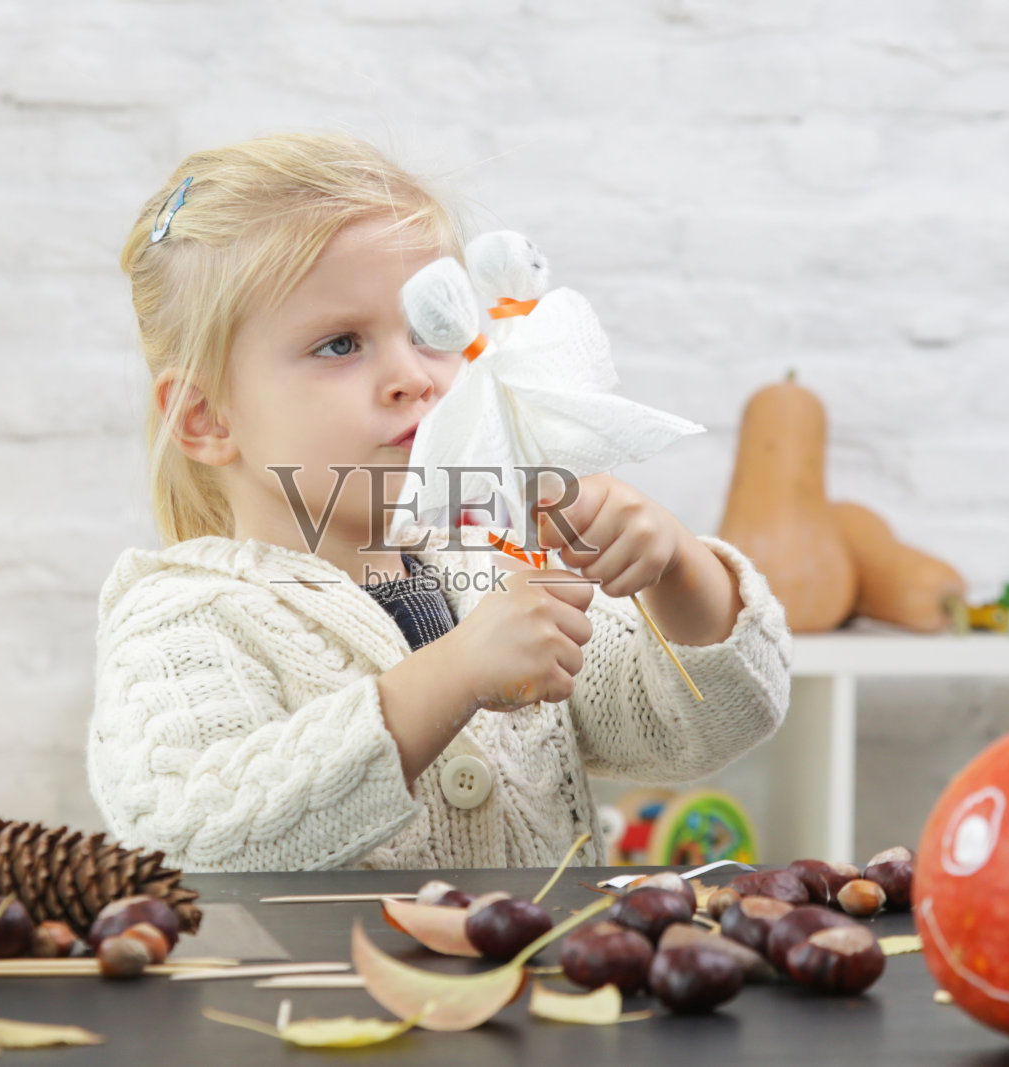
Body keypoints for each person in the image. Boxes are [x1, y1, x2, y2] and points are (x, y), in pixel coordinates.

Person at [88, 131, 792, 871]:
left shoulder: (496, 566)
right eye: (339, 344)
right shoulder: (182, 618)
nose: (415, 377)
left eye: (432, 329)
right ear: (206, 418)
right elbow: (190, 832)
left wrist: (678, 569)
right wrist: (453, 675)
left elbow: (712, 722)